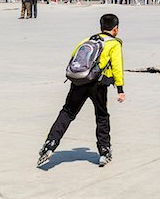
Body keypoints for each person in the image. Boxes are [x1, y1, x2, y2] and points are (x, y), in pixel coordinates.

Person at [37, 14, 125, 167]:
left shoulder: (88, 40)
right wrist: (120, 89)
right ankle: (104, 150)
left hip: (79, 80)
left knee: (68, 112)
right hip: (98, 84)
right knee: (101, 115)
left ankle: (50, 143)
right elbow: (117, 66)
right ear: (116, 29)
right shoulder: (114, 44)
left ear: (101, 27)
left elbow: (74, 57)